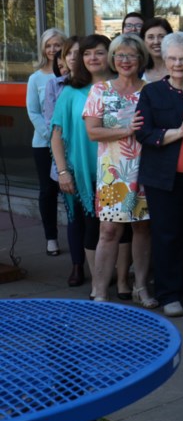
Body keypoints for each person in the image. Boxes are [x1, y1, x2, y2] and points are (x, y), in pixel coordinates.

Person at [135, 32, 183, 318]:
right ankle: (168, 293)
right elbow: (143, 133)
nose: (178, 63)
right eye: (172, 58)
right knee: (166, 235)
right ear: (165, 61)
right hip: (162, 177)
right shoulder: (151, 92)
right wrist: (178, 133)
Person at [83, 34, 155, 306]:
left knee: (142, 228)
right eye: (120, 55)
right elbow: (92, 132)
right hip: (113, 170)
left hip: (145, 168)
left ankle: (141, 287)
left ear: (141, 59)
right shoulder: (101, 90)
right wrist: (127, 130)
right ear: (113, 59)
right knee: (109, 231)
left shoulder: (151, 90)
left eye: (132, 55)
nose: (125, 61)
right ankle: (100, 290)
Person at [50, 35, 114, 295]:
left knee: (119, 227)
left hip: (117, 169)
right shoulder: (70, 91)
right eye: (88, 54)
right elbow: (56, 135)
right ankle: (99, 282)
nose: (93, 59)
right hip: (84, 171)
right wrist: (63, 171)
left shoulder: (121, 86)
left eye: (99, 53)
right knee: (92, 226)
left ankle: (121, 279)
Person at [43, 36, 85, 284]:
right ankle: (77, 265)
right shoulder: (55, 86)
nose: (72, 57)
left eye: (78, 53)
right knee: (73, 216)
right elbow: (52, 127)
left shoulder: (100, 84)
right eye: (67, 53)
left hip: (94, 160)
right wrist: (63, 168)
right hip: (66, 160)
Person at [28, 28, 65, 257]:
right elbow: (33, 111)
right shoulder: (36, 78)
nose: (53, 50)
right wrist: (50, 137)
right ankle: (51, 238)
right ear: (43, 48)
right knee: (48, 191)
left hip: (69, 143)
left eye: (57, 45)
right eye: (49, 45)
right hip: (43, 143)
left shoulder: (72, 74)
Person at [140, 17, 173, 82]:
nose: (156, 42)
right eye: (150, 37)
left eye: (161, 37)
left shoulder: (179, 68)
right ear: (143, 41)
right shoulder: (138, 71)